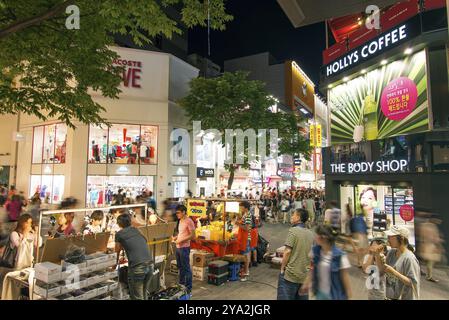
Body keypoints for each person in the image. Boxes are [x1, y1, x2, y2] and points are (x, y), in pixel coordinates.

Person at [301, 225, 352, 300]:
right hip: (320, 293)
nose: (315, 237)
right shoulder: (315, 251)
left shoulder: (340, 256)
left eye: (317, 235)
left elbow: (345, 277)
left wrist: (349, 295)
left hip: (335, 295)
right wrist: (306, 283)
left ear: (323, 238)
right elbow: (312, 269)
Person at [277, 209, 314, 300]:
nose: (292, 216)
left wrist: (282, 268)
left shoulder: (293, 230)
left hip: (290, 275)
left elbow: (287, 251)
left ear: (298, 218)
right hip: (304, 275)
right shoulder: (310, 233)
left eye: (293, 214)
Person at [115, 214, 153, 300]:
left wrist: (114, 264)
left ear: (119, 224)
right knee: (144, 293)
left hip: (137, 267)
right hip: (150, 264)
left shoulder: (119, 234)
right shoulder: (137, 230)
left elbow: (116, 251)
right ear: (130, 222)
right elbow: (145, 240)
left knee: (137, 297)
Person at [381, 225, 420, 300]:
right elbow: (382, 270)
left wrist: (393, 271)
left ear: (401, 239)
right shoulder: (391, 252)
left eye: (391, 237)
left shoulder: (410, 258)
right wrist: (377, 255)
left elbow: (412, 282)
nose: (388, 239)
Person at [172, 205, 195, 293]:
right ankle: (181, 284)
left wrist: (181, 240)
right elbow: (182, 233)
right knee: (180, 267)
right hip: (178, 247)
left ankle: (188, 287)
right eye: (176, 212)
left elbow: (193, 235)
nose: (177, 214)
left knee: (186, 268)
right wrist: (176, 237)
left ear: (184, 212)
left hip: (184, 248)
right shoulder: (180, 220)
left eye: (178, 212)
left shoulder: (189, 221)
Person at [237, 201, 252, 281]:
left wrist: (238, 224)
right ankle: (246, 271)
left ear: (245, 207)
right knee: (246, 255)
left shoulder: (248, 215)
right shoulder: (245, 214)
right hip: (243, 237)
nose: (240, 208)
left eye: (241, 207)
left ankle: (245, 273)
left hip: (246, 238)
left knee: (246, 256)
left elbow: (246, 228)